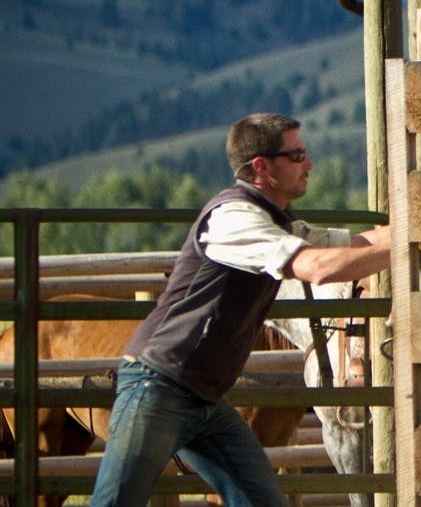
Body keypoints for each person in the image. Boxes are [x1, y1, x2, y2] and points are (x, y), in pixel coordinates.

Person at [91, 113, 393, 507]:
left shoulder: (273, 222)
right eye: (296, 155)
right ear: (261, 167)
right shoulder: (234, 219)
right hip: (159, 384)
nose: (309, 164)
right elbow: (318, 268)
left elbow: (356, 244)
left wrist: (418, 224)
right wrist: (402, 246)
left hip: (202, 396)